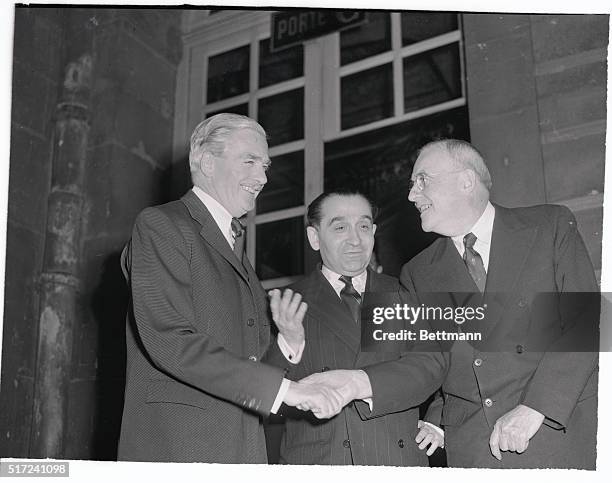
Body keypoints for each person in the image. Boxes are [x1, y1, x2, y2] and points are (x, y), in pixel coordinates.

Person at [117, 113, 344, 463]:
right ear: (207, 162)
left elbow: (249, 364)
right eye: (249, 161)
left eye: (265, 165)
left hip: (240, 449)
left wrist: (287, 341)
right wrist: (288, 391)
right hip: (180, 449)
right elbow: (170, 339)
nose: (263, 177)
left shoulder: (234, 247)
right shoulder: (162, 225)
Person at [401, 139, 598, 469]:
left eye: (421, 180)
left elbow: (584, 324)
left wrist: (536, 407)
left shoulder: (549, 227)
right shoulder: (417, 272)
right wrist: (437, 415)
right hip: (477, 452)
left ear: (465, 180)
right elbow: (438, 358)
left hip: (561, 433)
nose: (411, 195)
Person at [264, 190, 446, 465]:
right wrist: (288, 344)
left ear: (373, 231)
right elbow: (260, 391)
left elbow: (432, 366)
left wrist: (435, 420)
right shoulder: (284, 302)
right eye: (340, 227)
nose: (355, 239)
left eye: (363, 226)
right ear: (315, 237)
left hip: (394, 459)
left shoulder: (403, 292)